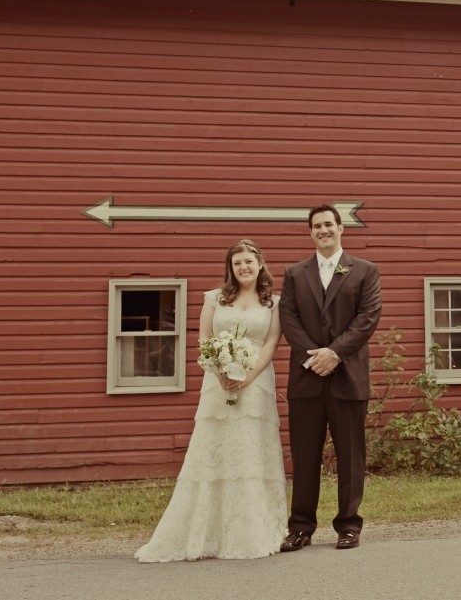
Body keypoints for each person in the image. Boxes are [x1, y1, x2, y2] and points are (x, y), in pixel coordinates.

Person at [135, 239, 287, 562]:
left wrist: (247, 377)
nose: (243, 267)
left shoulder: (273, 303)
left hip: (256, 384)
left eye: (249, 261)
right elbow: (204, 338)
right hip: (217, 384)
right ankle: (208, 531)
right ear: (230, 269)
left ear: (260, 265)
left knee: (249, 450)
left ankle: (252, 531)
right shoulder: (215, 299)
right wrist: (219, 371)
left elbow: (271, 344)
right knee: (214, 449)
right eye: (237, 263)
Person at [278, 204, 382, 551]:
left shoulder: (365, 271)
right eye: (316, 226)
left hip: (348, 377)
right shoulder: (294, 274)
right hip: (306, 379)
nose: (323, 230)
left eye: (328, 224)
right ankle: (301, 527)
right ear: (310, 233)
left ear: (341, 229)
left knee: (351, 457)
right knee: (305, 457)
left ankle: (349, 526)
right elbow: (289, 319)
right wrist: (314, 358)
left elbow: (367, 318)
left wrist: (335, 353)